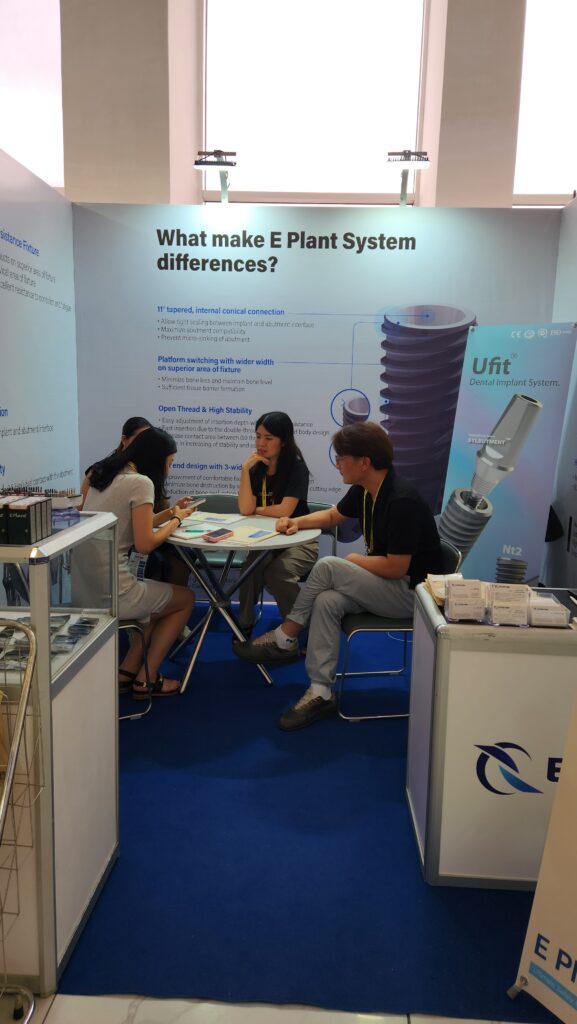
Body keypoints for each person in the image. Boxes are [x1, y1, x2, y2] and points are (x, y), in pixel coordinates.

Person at [235, 421, 443, 730]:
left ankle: (285, 636)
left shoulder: (402, 500)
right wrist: (297, 522)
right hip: (387, 586)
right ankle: (321, 691)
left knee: (329, 566)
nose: (337, 464)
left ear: (364, 462)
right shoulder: (366, 489)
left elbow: (396, 567)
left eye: (341, 457)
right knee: (328, 601)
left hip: (413, 595)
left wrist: (356, 560)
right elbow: (333, 516)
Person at [83, 426, 196, 697]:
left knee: (157, 603)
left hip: (86, 588)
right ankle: (147, 679)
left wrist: (170, 513)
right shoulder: (141, 483)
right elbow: (145, 543)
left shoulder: (104, 475)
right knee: (185, 599)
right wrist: (177, 520)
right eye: (169, 463)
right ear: (157, 458)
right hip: (116, 591)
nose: (169, 470)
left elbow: (132, 523)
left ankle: (126, 673)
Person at [236, 411, 318, 638]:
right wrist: (244, 471)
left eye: (268, 438)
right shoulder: (255, 468)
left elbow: (284, 511)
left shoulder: (296, 468)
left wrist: (257, 509)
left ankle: (298, 629)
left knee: (278, 573)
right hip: (266, 541)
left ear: (283, 441)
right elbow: (245, 509)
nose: (261, 443)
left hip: (298, 540)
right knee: (249, 571)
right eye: (258, 436)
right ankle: (243, 626)